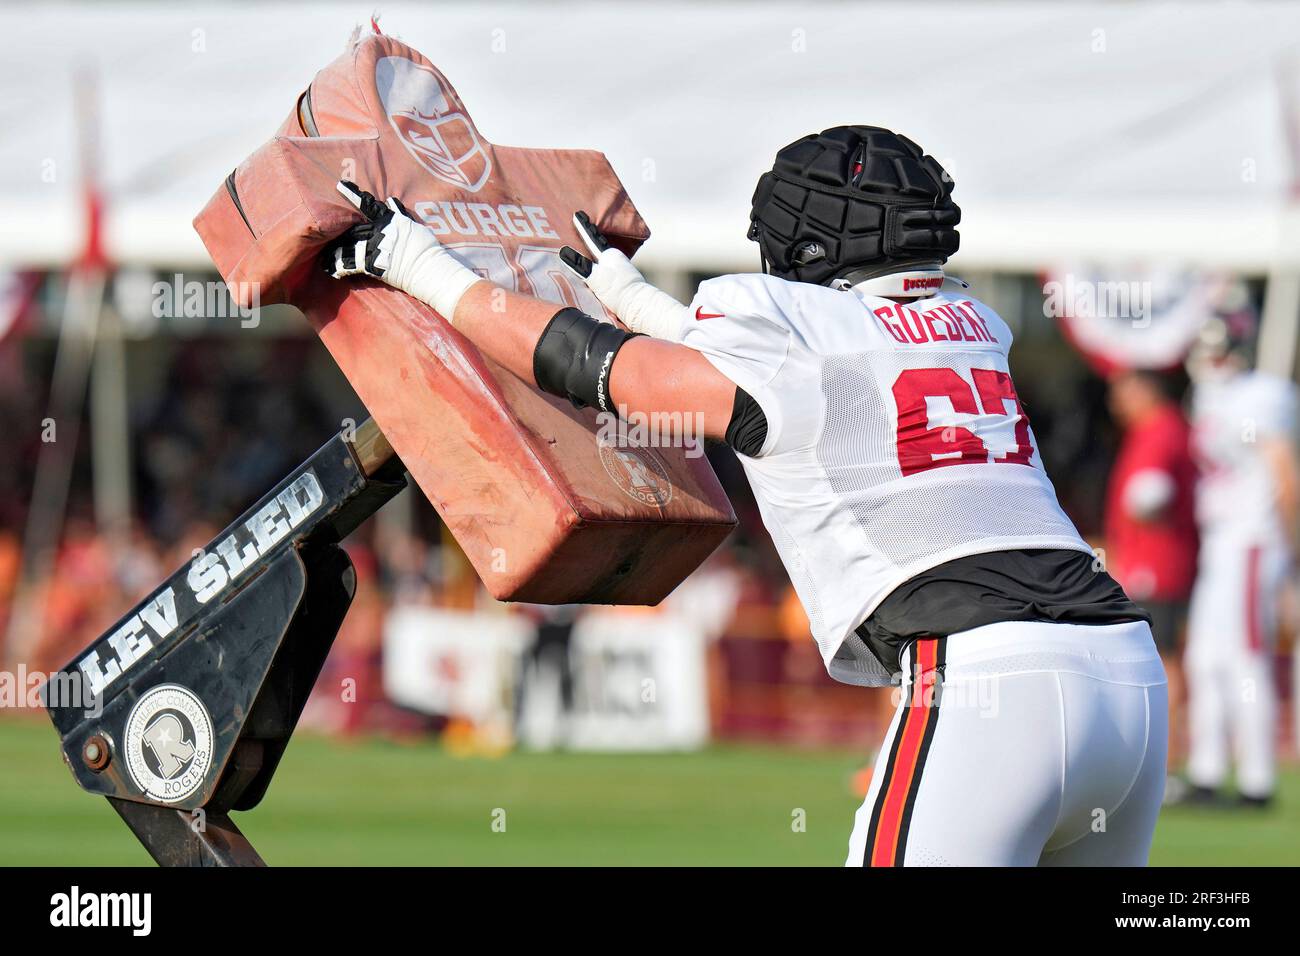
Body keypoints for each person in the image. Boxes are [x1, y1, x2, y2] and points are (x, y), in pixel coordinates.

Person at [323, 125, 1164, 866]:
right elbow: (797, 365)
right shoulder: (977, 329)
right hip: (1128, 677)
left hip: (986, 679)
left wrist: (417, 265)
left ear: (801, 247)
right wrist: (628, 293)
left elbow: (592, 368)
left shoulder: (797, 336)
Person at [1182, 298, 1299, 807]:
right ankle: (1206, 771)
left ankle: (1257, 780)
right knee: (1205, 659)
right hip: (1220, 540)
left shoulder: (1263, 396)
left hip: (1254, 539)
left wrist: (1293, 555)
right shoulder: (1208, 396)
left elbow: (1284, 474)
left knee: (1246, 660)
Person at [1104, 369, 1198, 777]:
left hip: (1157, 562)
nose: (1116, 403)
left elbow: (1149, 493)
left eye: (1122, 392)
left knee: (1159, 658)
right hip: (1154, 559)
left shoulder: (1159, 430)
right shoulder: (1159, 429)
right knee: (1159, 657)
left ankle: (1167, 759)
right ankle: (1163, 757)